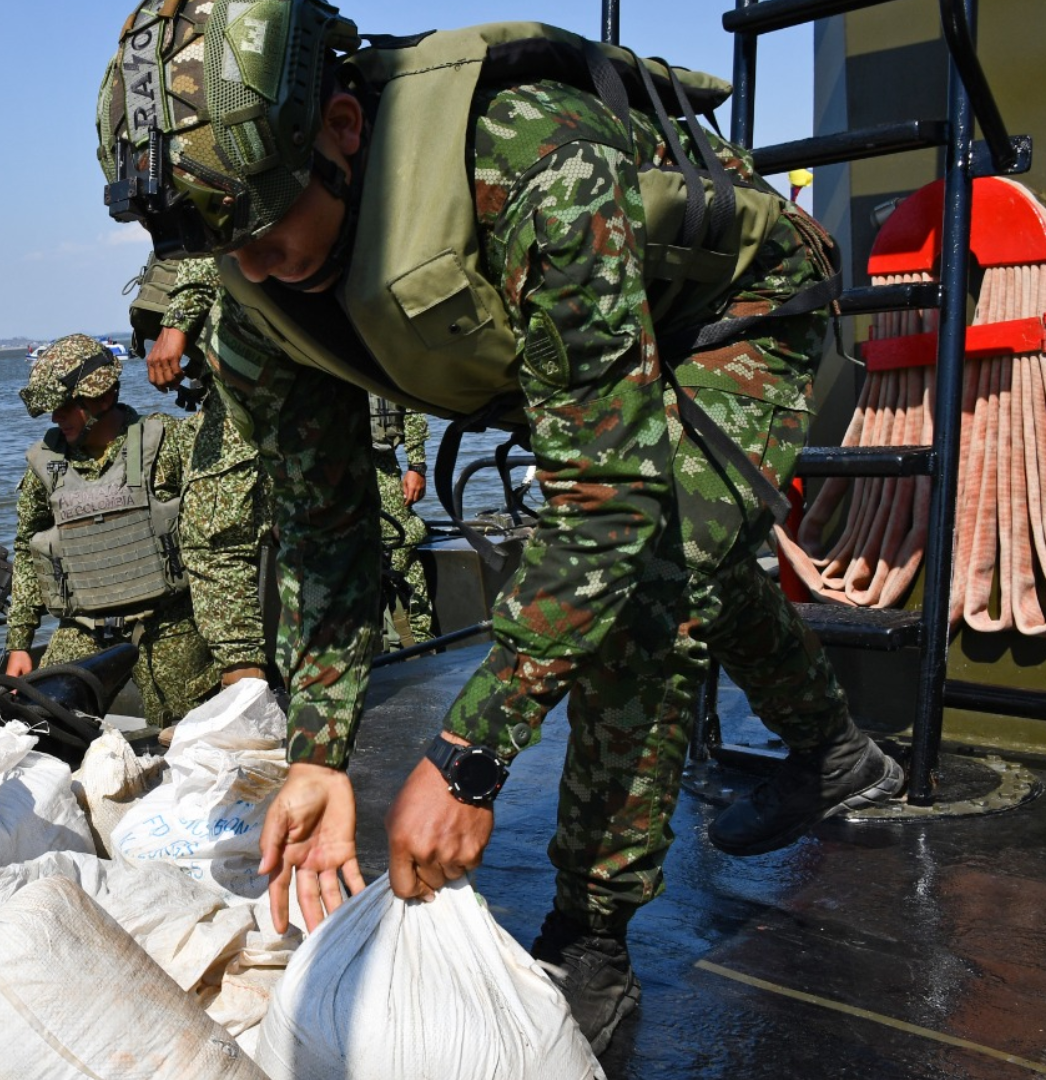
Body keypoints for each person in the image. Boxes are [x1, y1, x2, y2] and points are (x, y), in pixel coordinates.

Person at [95, 5, 902, 1053]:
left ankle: (592, 935)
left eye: (264, 230)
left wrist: (470, 759)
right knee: (683, 549)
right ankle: (836, 752)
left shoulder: (531, 159)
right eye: (221, 250)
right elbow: (325, 529)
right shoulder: (254, 294)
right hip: (592, 334)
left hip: (732, 315)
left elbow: (606, 500)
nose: (253, 270)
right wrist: (319, 751)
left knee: (653, 580)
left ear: (343, 128)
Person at [3, 333, 220, 731]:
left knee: (193, 739)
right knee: (42, 728)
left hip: (168, 625)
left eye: (66, 406)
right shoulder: (46, 464)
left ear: (101, 398)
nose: (56, 418)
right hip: (83, 627)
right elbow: (26, 547)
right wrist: (19, 641)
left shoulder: (165, 442)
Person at [134, 254, 275, 688]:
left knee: (214, 538)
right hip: (295, 372)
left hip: (252, 382)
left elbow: (212, 241)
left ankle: (245, 713)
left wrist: (175, 328)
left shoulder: (205, 210)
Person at [370, 395, 434, 648]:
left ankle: (419, 645)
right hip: (331, 464)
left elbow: (411, 402)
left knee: (400, 547)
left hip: (382, 465)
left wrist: (416, 466)